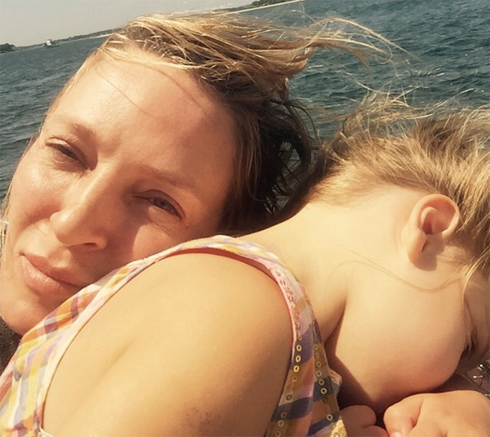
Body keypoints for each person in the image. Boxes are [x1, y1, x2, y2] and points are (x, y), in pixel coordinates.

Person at [0, 11, 489, 437]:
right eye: (65, 152)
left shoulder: (261, 327)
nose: (73, 222)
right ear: (429, 228)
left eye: (159, 202)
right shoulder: (236, 310)